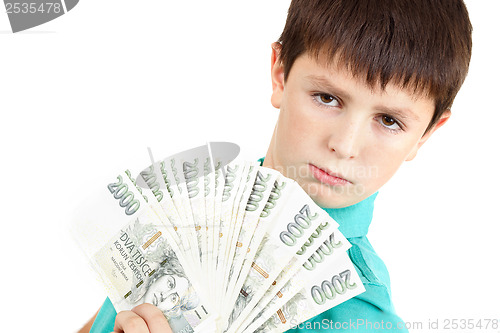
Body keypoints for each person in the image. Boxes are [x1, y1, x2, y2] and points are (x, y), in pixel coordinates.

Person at [79, 0, 472, 332]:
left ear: (424, 135)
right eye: (327, 98)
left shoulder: (360, 315)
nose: (344, 145)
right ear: (280, 74)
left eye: (389, 120)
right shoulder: (186, 208)